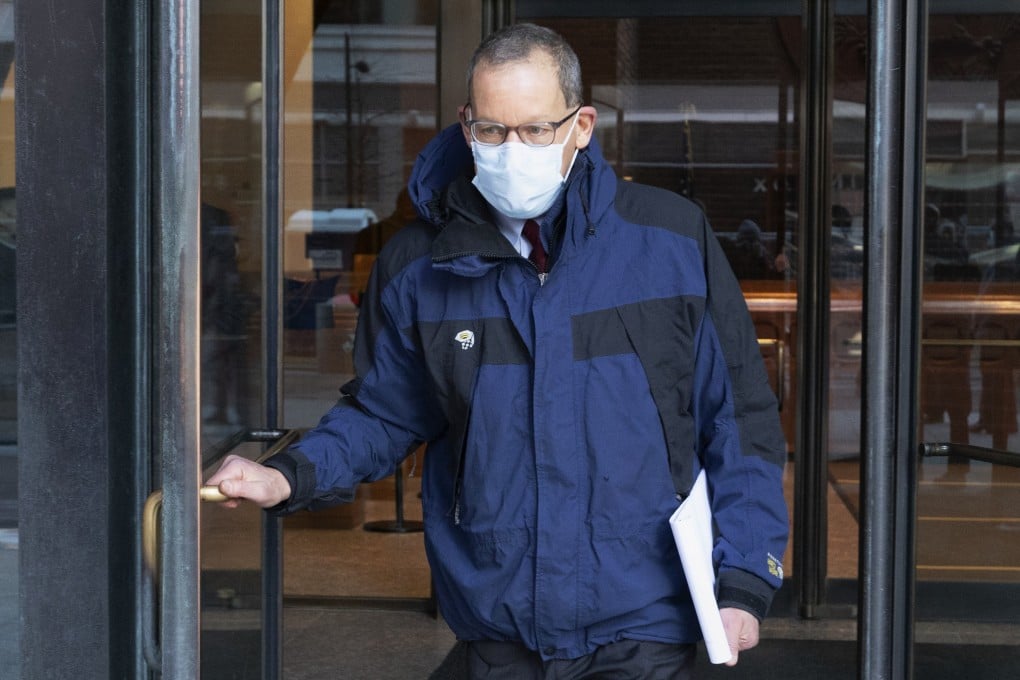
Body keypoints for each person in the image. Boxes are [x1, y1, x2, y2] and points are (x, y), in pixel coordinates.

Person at [209, 23, 788, 678]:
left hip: (642, 626)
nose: (514, 149)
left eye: (537, 129)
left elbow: (738, 422)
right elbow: (384, 416)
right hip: (497, 624)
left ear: (582, 125)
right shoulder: (417, 266)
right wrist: (289, 473)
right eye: (493, 130)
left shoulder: (671, 241)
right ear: (466, 124)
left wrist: (743, 578)